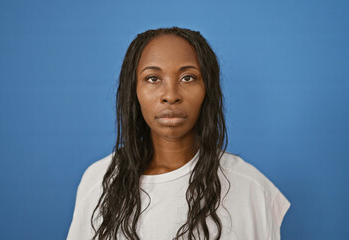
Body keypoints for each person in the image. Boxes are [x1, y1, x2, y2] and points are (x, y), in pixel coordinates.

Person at [67, 27, 290, 240]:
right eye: (153, 78)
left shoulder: (252, 187)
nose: (171, 95)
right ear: (134, 90)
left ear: (207, 89)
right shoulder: (98, 181)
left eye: (188, 78)